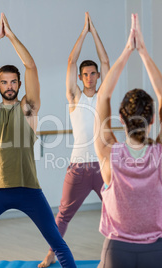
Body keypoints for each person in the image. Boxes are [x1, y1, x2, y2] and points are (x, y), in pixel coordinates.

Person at [0, 13, 76, 268]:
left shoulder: (28, 109)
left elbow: (31, 66)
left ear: (19, 83)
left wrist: (10, 36)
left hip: (29, 189)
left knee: (57, 243)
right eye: (4, 82)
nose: (9, 86)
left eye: (13, 82)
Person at [95, 14, 162, 268]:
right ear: (152, 120)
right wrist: (142, 51)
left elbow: (103, 98)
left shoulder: (110, 155)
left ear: (121, 118)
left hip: (116, 250)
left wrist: (126, 52)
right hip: (157, 251)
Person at [40, 12, 109, 267]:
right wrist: (84, 32)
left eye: (94, 73)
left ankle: (112, 256)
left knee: (115, 213)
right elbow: (71, 60)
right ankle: (51, 254)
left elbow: (106, 59)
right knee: (63, 215)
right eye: (86, 74)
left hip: (103, 169)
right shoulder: (75, 98)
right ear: (80, 78)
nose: (90, 77)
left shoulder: (104, 97)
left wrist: (95, 33)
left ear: (98, 76)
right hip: (78, 168)